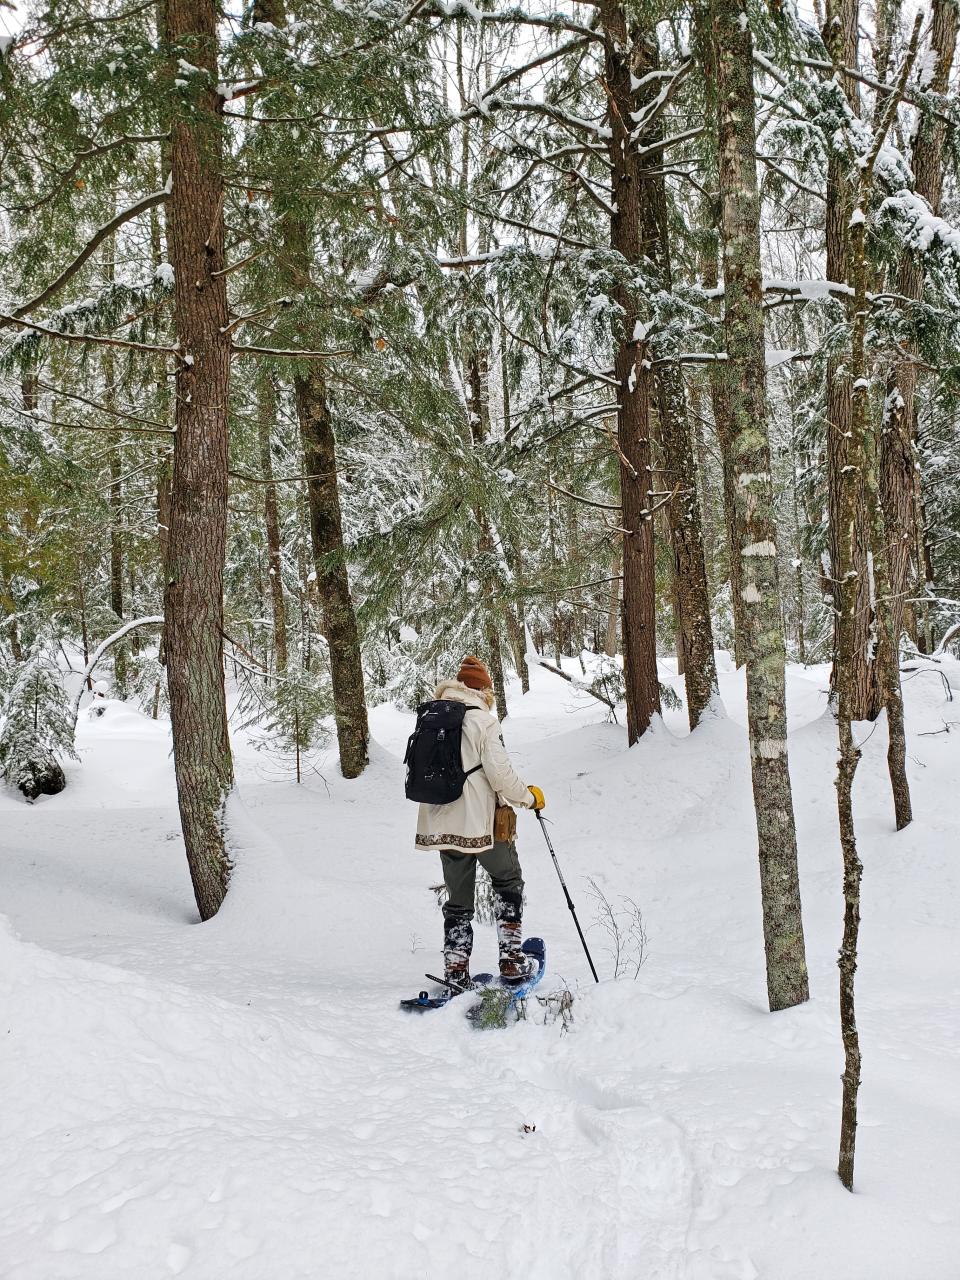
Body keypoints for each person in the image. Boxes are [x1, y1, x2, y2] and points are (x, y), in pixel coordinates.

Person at [415, 655, 545, 990]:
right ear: (483, 690)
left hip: (440, 820)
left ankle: (456, 971)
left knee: (458, 900)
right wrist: (528, 798)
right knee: (508, 880)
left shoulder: (432, 716)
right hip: (480, 822)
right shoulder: (483, 722)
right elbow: (500, 775)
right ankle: (512, 961)